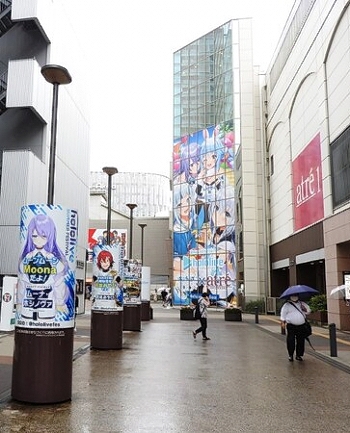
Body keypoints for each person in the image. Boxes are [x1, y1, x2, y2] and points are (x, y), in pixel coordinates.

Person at [280, 294, 311, 362]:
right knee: (291, 340)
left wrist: (305, 309)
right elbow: (283, 314)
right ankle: (290, 355)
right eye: (293, 296)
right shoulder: (287, 305)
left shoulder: (302, 303)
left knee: (301, 341)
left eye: (296, 296)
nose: (294, 297)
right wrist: (282, 322)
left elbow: (308, 311)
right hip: (291, 325)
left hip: (301, 325)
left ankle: (299, 355)